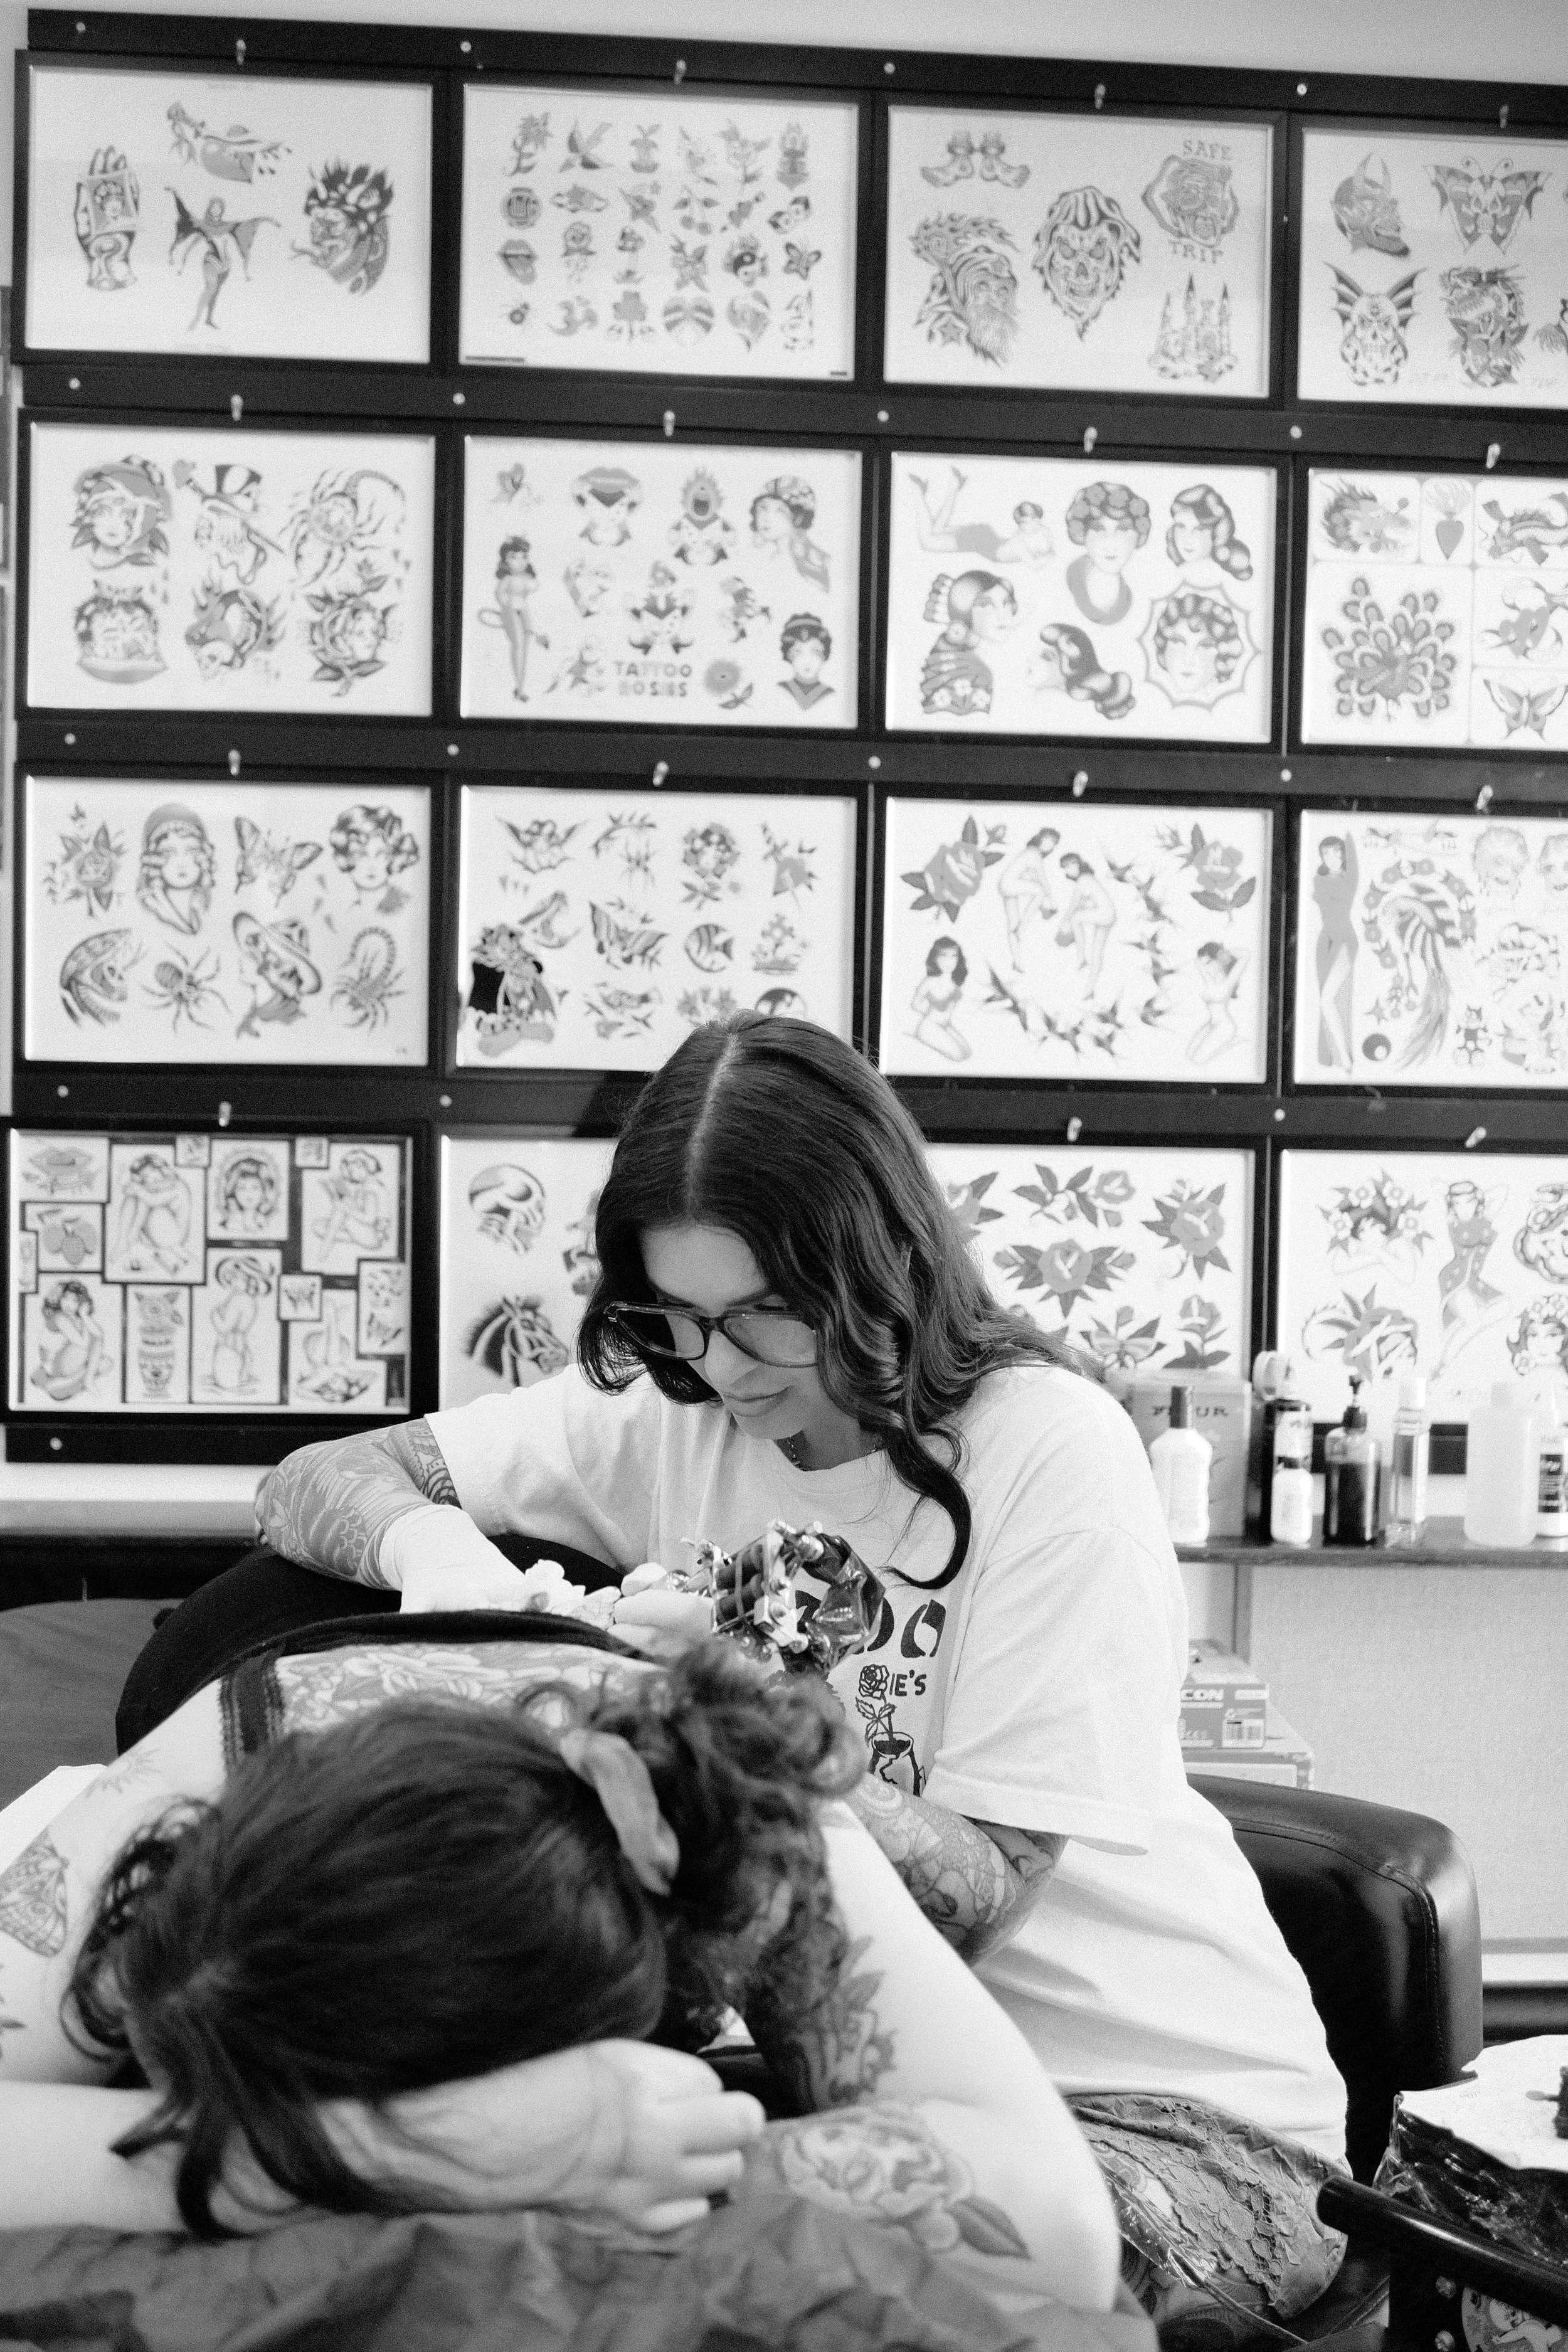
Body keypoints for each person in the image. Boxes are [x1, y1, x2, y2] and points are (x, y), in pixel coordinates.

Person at [206, 1012, 1350, 2338]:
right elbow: (313, 1479)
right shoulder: (674, 1407)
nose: (723, 1368)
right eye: (681, 1317)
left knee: (735, 2264)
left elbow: (977, 1902)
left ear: (876, 1265)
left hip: (1166, 2115)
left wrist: (731, 1713)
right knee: (485, 2218)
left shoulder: (1049, 1449)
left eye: (764, 1317)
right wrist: (438, 1555)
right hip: (850, 2092)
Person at [0, 1631, 1121, 2322]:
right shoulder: (163, 1827)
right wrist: (465, 2150)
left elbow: (1060, 2223)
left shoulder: (743, 1820)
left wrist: (613, 2143)